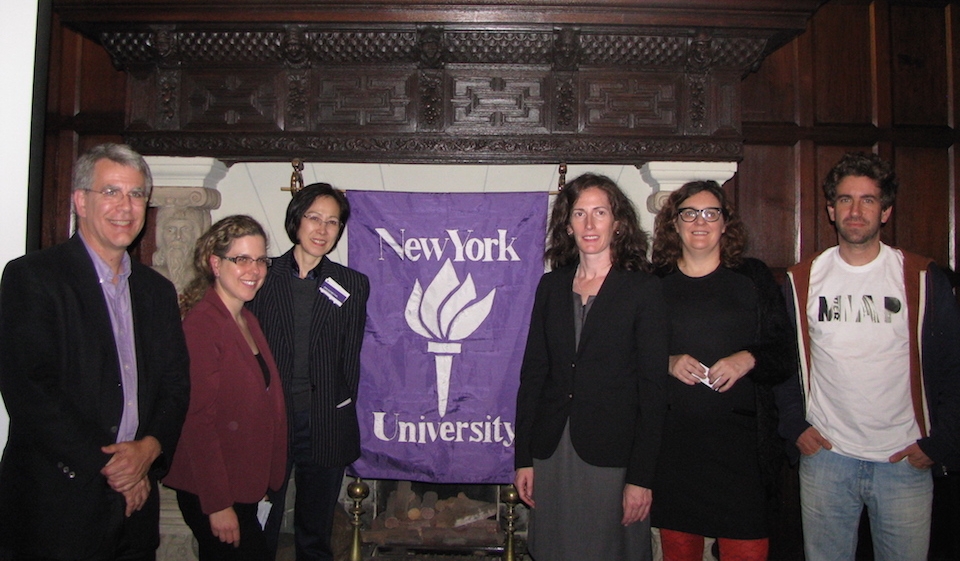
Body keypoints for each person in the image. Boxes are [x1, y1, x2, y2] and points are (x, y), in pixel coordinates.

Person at [0, 143, 191, 560]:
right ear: (80, 201)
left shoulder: (156, 292)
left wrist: (150, 449)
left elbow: (176, 384)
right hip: (57, 507)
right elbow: (30, 391)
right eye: (111, 192)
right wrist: (117, 470)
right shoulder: (32, 278)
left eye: (136, 194)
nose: (125, 206)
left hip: (136, 512)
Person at [774, 152, 960, 561]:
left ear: (886, 211)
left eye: (868, 200)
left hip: (904, 462)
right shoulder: (802, 280)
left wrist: (941, 442)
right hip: (827, 460)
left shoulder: (923, 279)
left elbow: (952, 368)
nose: (855, 211)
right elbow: (785, 366)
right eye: (844, 199)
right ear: (830, 209)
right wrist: (795, 427)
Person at [513, 173, 668, 561]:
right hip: (552, 450)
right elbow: (533, 375)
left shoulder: (643, 289)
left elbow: (653, 391)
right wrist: (523, 458)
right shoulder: (551, 286)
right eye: (579, 213)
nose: (589, 224)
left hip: (612, 454)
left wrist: (641, 477)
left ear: (618, 223)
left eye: (599, 212)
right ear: (567, 225)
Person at [649, 180, 796, 561]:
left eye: (711, 212)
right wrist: (667, 361)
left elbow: (784, 353)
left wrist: (748, 357)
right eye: (689, 213)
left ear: (725, 223)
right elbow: (628, 356)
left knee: (747, 550)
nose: (701, 221)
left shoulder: (753, 277)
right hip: (675, 450)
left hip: (741, 451)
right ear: (674, 224)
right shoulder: (653, 283)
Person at [247, 183, 369, 561]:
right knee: (261, 524)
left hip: (325, 422)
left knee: (315, 532)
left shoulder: (351, 284)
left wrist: (341, 407)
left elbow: (351, 359)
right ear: (296, 220)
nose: (322, 229)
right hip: (271, 422)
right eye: (314, 218)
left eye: (332, 222)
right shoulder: (262, 276)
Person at [163, 215, 287, 560]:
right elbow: (197, 421)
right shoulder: (202, 325)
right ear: (215, 263)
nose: (254, 269)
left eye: (261, 259)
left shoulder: (247, 320)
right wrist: (217, 504)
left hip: (242, 485)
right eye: (241, 259)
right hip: (214, 492)